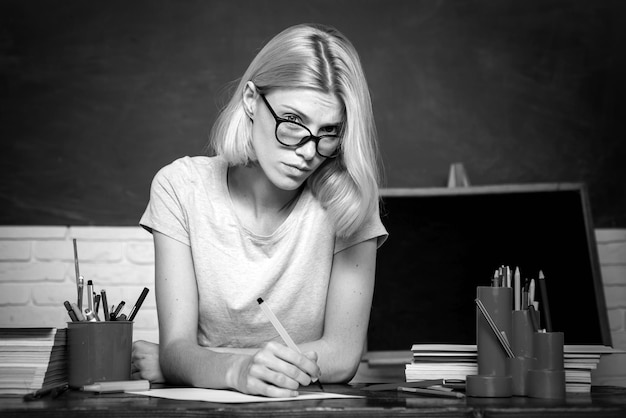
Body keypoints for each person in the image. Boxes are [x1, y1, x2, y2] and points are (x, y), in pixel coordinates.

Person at [132, 23, 387, 398]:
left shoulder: (349, 203)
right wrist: (231, 369)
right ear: (251, 100)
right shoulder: (180, 187)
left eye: (328, 132)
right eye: (293, 122)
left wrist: (204, 363)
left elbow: (343, 357)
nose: (307, 151)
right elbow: (177, 349)